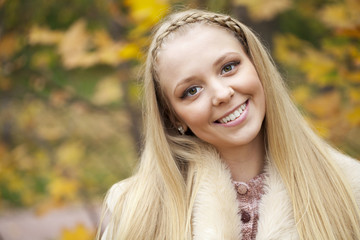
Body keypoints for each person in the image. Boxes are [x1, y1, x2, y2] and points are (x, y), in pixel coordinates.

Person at [98, 9, 360, 240]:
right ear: (173, 116)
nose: (222, 94)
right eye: (192, 90)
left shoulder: (350, 186)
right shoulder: (132, 209)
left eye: (229, 67)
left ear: (258, 66)